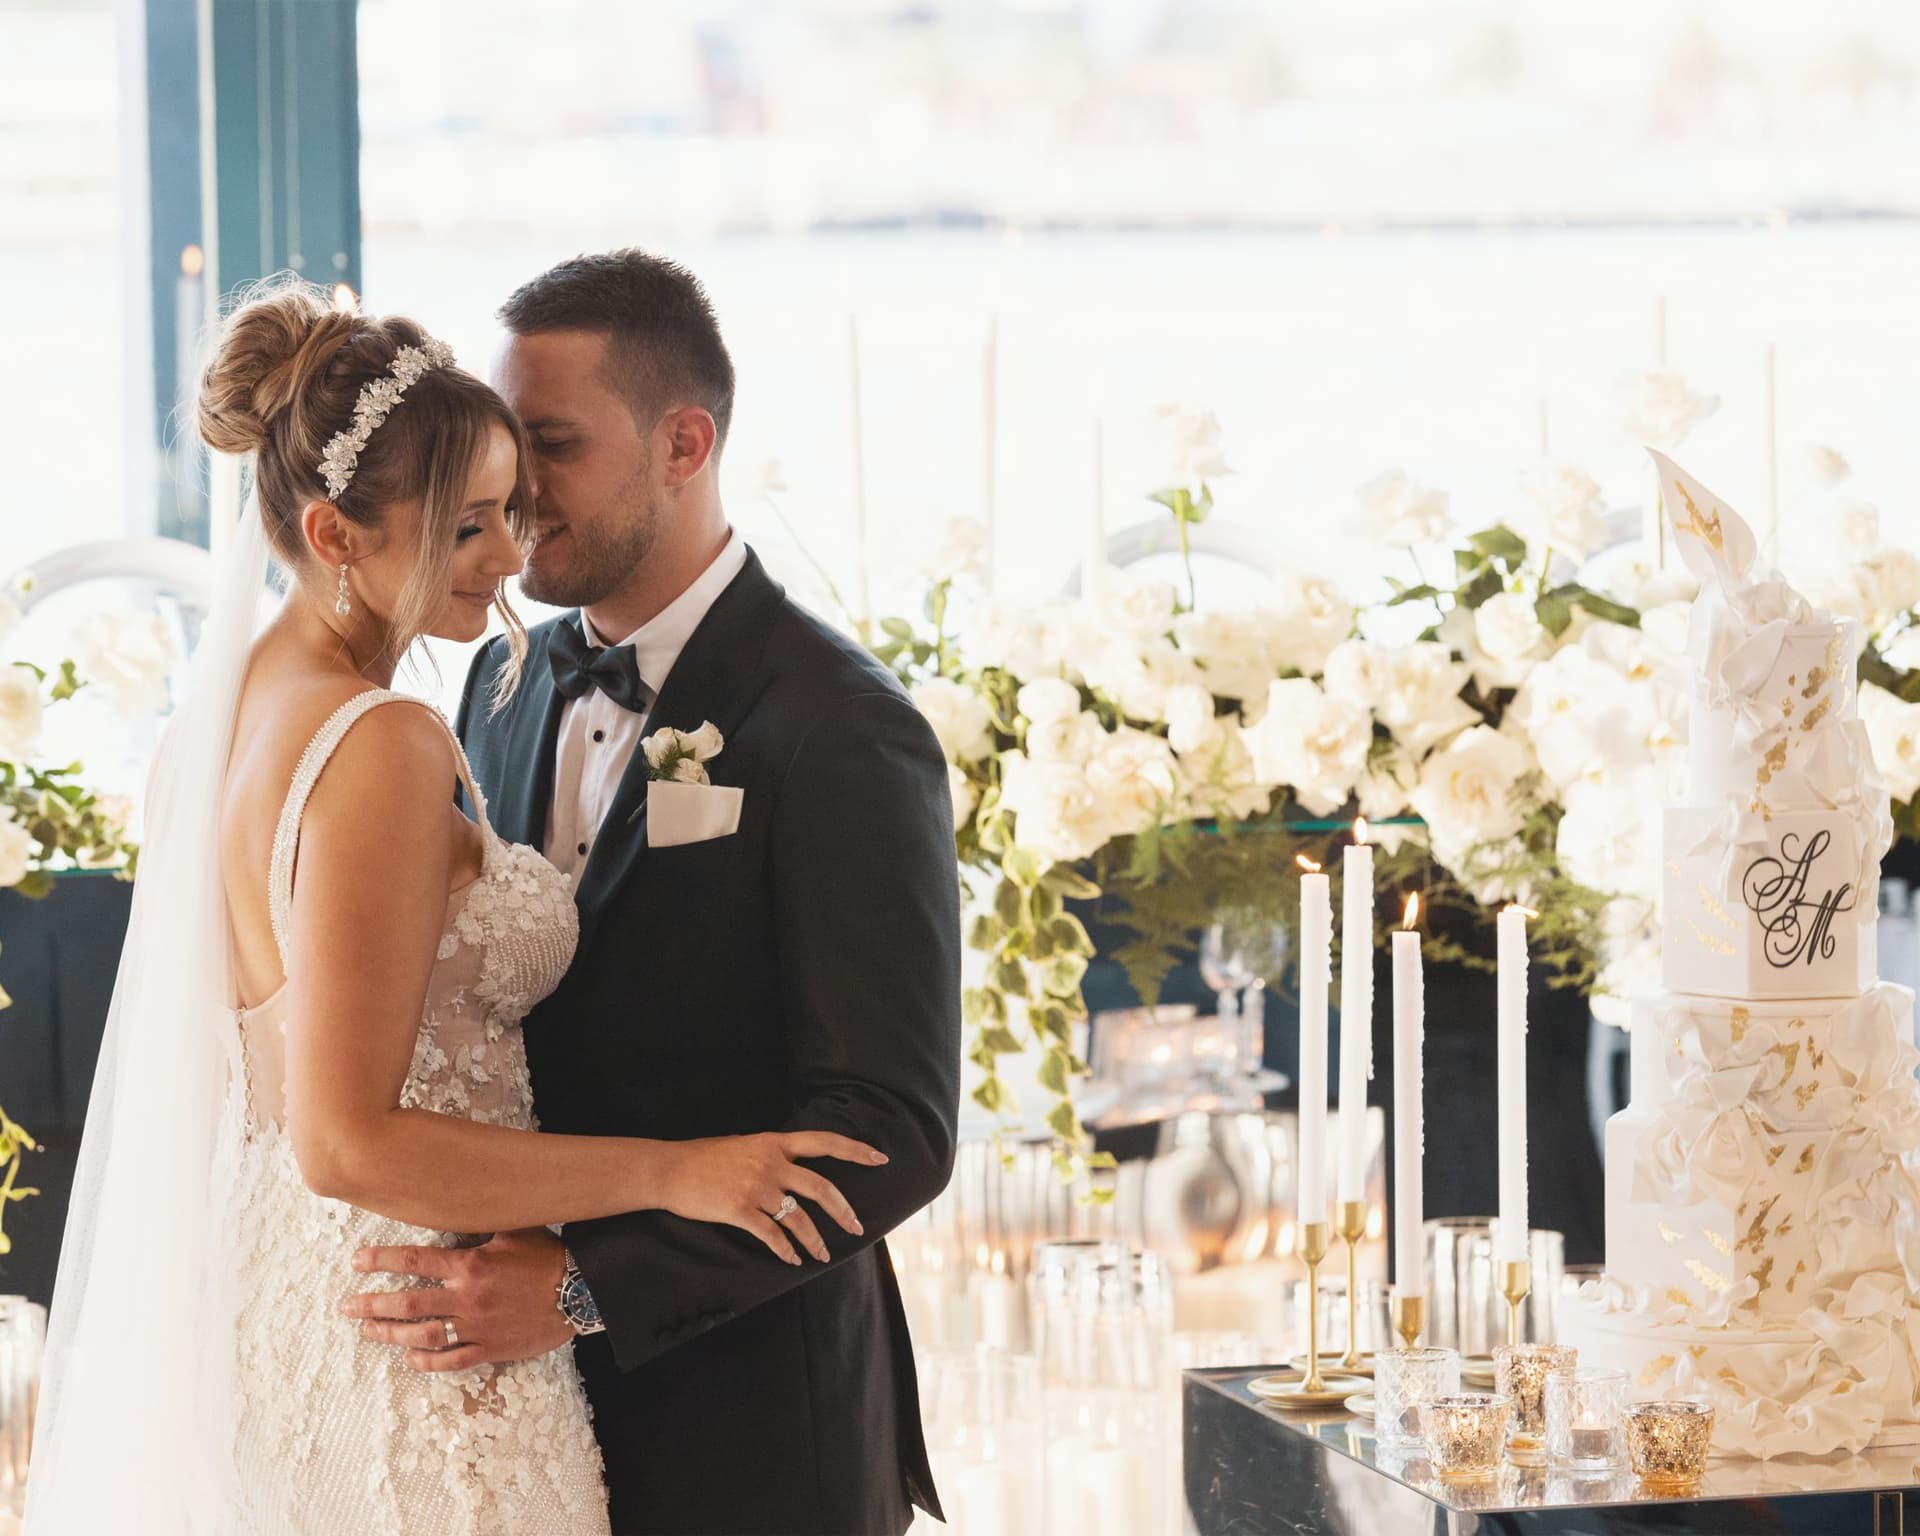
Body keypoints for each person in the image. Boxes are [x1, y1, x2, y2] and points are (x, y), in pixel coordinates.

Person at [27, 278, 884, 1535]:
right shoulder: (379, 742)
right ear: (334, 537)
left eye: (510, 506)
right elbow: (344, 1138)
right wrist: (680, 1173)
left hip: (296, 1307)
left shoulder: (204, 738)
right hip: (426, 1341)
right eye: (468, 523)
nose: (512, 552)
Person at [344, 249, 963, 1535]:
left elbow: (889, 1135)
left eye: (552, 445)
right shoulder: (499, 682)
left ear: (685, 443)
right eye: (502, 446)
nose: (508, 491)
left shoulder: (844, 730)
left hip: (753, 1429)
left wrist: (581, 1287)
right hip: (514, 1418)